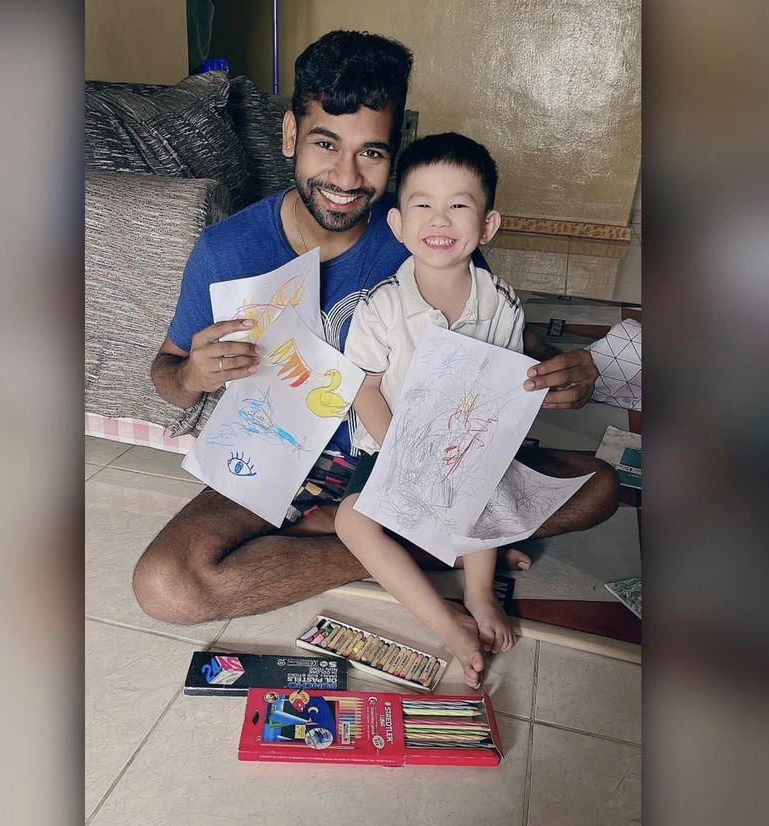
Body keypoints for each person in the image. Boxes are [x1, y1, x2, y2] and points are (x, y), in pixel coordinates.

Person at [133, 30, 617, 626]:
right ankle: (408, 548)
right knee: (168, 586)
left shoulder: (422, 235)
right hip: (284, 460)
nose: (345, 175)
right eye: (325, 143)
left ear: (396, 155)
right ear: (290, 135)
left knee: (599, 486)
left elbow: (501, 341)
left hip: (423, 455)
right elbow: (166, 374)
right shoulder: (227, 249)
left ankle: (385, 539)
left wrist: (564, 372)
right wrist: (192, 374)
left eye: (372, 152)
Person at [336, 133, 549, 687]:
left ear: (487, 226)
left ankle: (479, 593)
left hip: (465, 446)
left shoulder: (501, 304)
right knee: (351, 521)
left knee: (485, 491)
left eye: (459, 205)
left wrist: (469, 454)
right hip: (390, 448)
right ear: (397, 224)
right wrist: (402, 455)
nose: (439, 218)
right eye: (422, 204)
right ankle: (446, 619)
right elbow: (363, 388)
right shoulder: (381, 305)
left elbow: (505, 389)